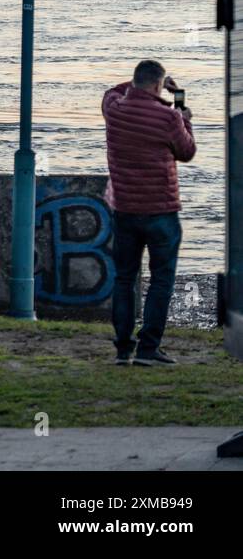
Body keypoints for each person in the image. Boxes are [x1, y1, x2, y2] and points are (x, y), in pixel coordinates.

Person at [102, 59, 196, 366]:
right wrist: (182, 108)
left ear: (134, 82)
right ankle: (148, 349)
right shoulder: (169, 119)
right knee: (160, 281)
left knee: (124, 279)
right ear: (159, 86)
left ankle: (122, 350)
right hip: (161, 211)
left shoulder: (114, 110)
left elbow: (110, 92)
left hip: (125, 210)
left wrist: (138, 88)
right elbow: (187, 152)